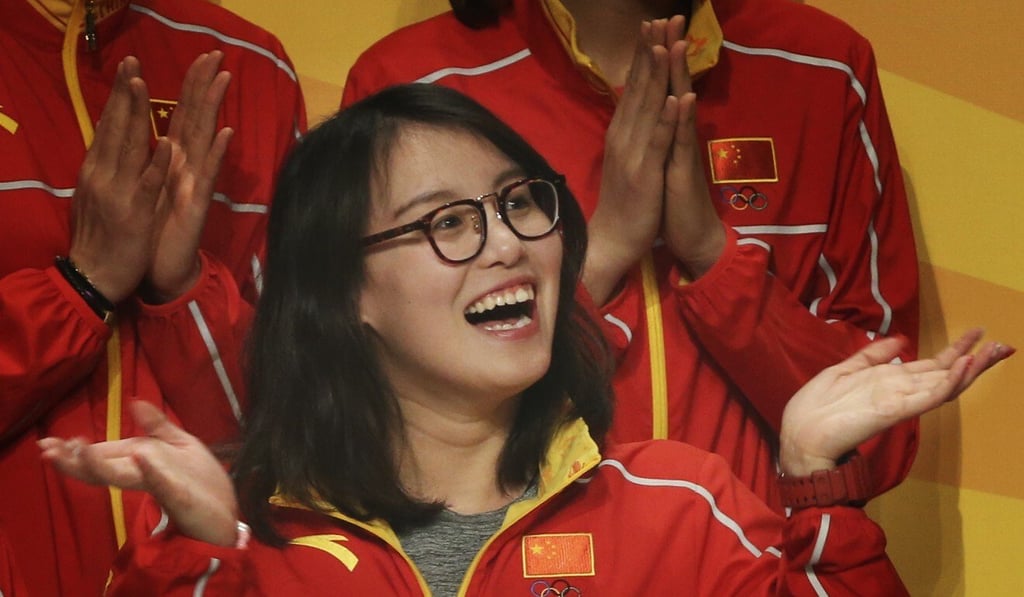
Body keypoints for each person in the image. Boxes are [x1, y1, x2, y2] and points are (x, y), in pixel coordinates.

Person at [41, 84, 1011, 596]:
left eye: (519, 205)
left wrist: (815, 478)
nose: (507, 243)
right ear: (344, 297)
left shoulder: (685, 509)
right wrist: (205, 560)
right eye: (446, 223)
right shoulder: (247, 545)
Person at [341, 0, 922, 508]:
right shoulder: (410, 85)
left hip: (771, 569)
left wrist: (713, 257)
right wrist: (606, 247)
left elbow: (880, 442)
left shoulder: (822, 66)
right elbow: (368, 414)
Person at [0, 0, 305, 593]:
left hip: (211, 579)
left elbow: (298, 430)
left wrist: (183, 287)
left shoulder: (253, 68)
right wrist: (79, 288)